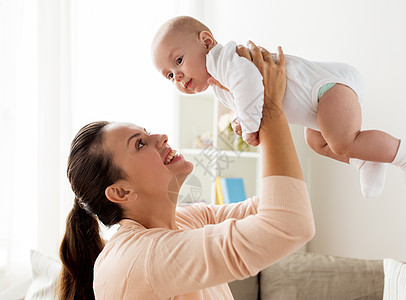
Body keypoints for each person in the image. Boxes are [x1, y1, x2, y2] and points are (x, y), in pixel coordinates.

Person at [57, 43, 315, 300]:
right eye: (140, 143)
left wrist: (251, 103)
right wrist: (270, 110)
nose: (160, 137)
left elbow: (288, 205)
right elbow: (289, 224)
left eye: (146, 132)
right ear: (122, 191)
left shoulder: (188, 221)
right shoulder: (134, 259)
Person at [151, 16, 406, 198]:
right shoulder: (217, 85)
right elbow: (246, 99)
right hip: (316, 105)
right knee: (316, 142)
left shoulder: (220, 59)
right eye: (169, 75)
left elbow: (248, 81)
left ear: (207, 41)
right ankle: (364, 159)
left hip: (328, 88)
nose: (178, 76)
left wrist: (249, 126)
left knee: (341, 141)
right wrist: (240, 118)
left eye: (178, 62)